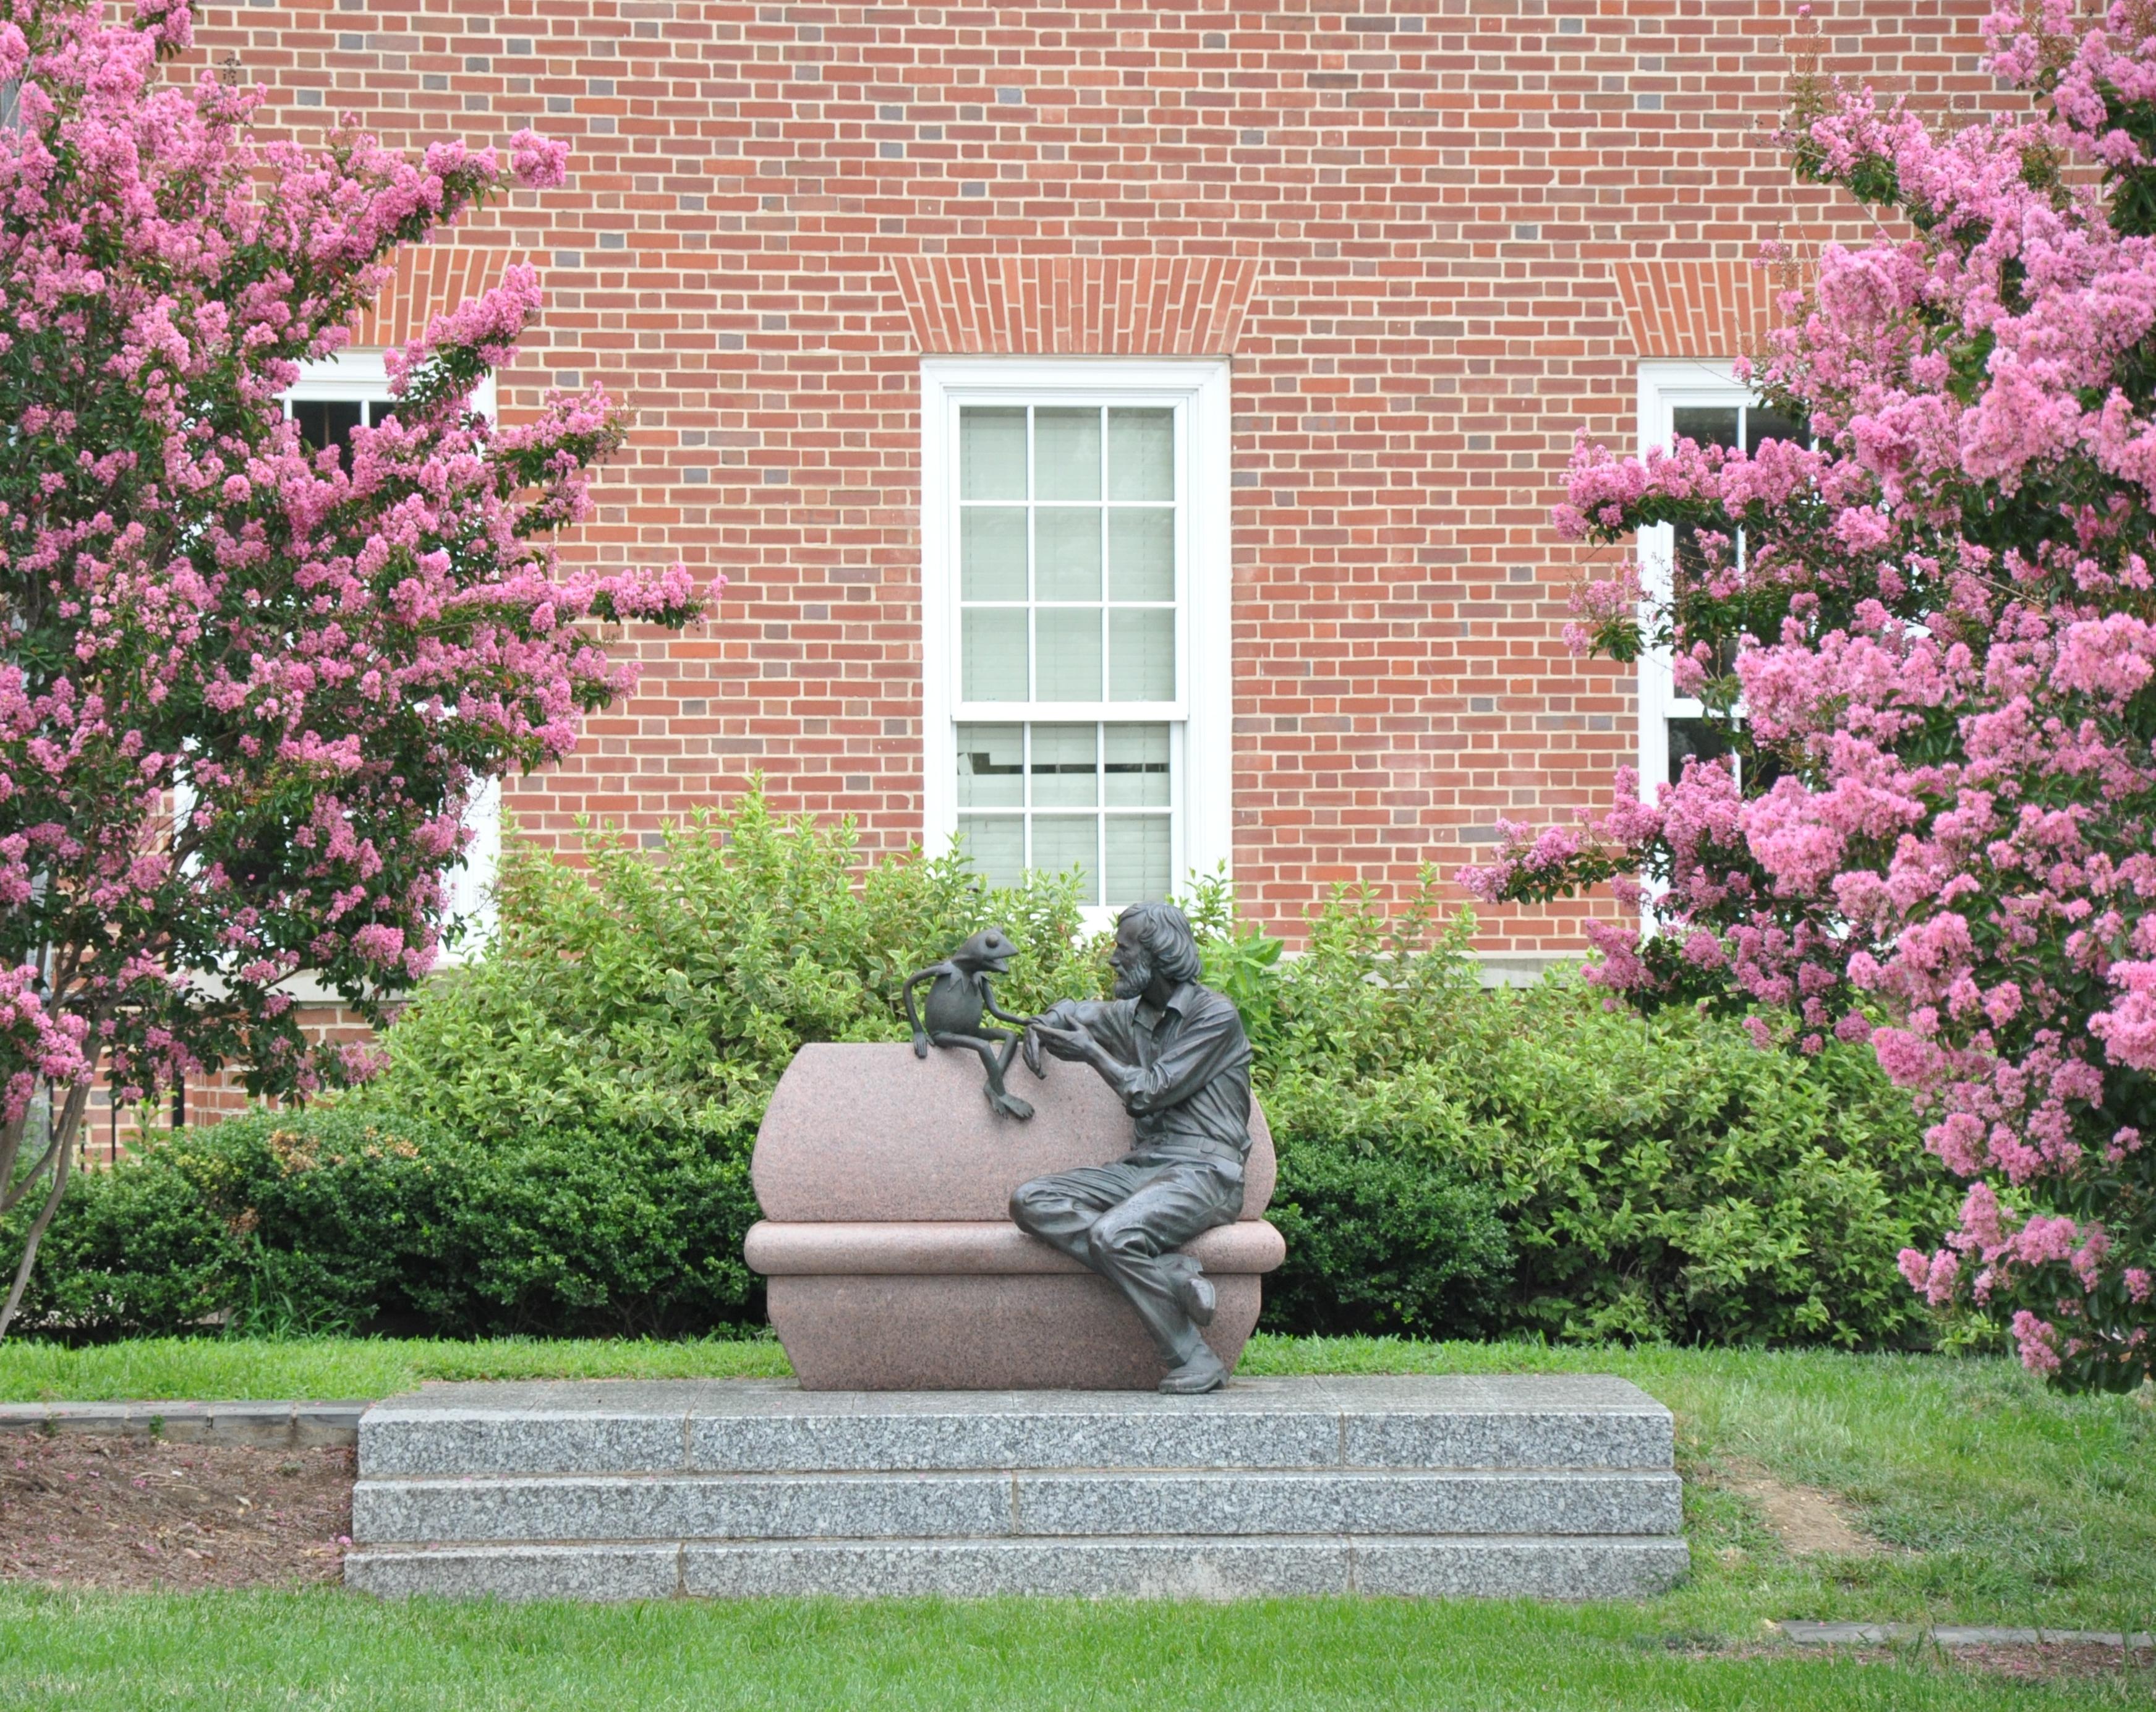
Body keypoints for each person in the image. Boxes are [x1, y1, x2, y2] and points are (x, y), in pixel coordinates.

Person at [1012, 901, 1251, 1394]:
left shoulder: (1214, 1015)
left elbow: (1149, 1090)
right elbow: (1073, 1010)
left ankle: (1193, 1357)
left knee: (1113, 1234)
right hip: (1145, 1168)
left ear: (1157, 954)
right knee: (1031, 1200)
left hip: (1206, 1172)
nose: (1112, 959)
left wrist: (1090, 1053)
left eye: (1123, 949)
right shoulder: (1133, 1015)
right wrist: (1044, 1022)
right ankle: (1170, 1273)